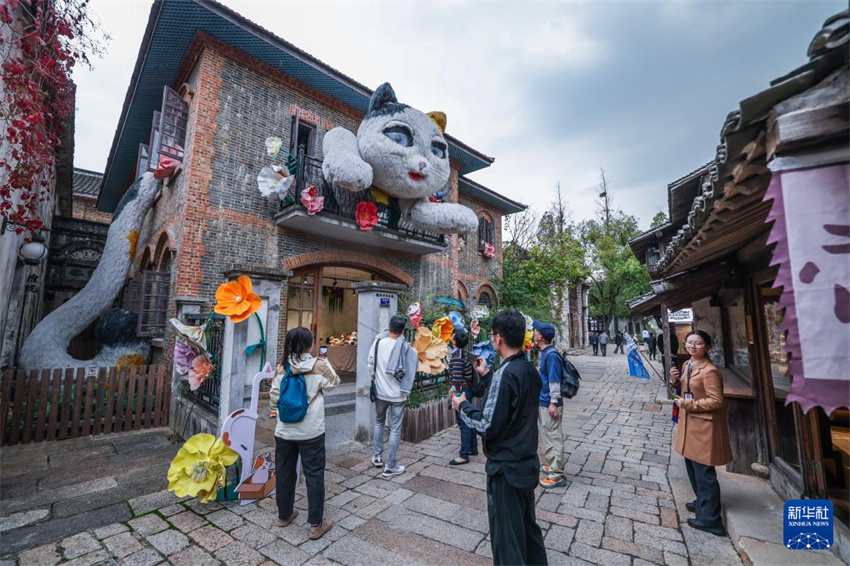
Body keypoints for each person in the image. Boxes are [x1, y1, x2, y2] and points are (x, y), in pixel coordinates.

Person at [452, 310, 547, 565]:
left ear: (498, 339)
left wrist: (462, 406)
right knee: (528, 532)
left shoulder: (507, 374)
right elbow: (510, 404)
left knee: (507, 541)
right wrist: (486, 374)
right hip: (526, 462)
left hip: (505, 469)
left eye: (493, 335)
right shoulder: (529, 370)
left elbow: (488, 424)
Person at [270, 327, 340, 540]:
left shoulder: (283, 366)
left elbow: (274, 396)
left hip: (284, 431)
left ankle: (284, 514)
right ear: (309, 345)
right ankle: (316, 524)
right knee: (314, 474)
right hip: (312, 431)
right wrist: (325, 361)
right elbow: (334, 383)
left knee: (284, 472)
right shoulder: (318, 365)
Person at [669, 330, 732, 537]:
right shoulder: (688, 364)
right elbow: (685, 388)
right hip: (690, 424)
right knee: (692, 467)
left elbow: (717, 400)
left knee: (705, 472)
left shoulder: (710, 370)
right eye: (689, 343)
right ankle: (701, 503)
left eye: (698, 343)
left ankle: (711, 519)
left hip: (704, 427)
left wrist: (689, 404)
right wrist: (675, 381)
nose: (693, 346)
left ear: (707, 347)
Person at [367, 315, 417, 478]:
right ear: (403, 330)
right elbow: (410, 371)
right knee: (395, 429)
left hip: (380, 392)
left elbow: (370, 365)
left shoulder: (378, 343)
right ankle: (390, 466)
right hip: (398, 395)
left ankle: (377, 457)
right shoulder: (406, 348)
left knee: (379, 422)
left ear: (389, 328)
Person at [533, 321, 566, 489]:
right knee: (547, 434)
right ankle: (552, 466)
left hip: (549, 402)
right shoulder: (545, 352)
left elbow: (554, 381)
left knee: (553, 436)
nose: (533, 332)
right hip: (544, 400)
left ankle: (557, 474)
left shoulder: (551, 355)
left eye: (535, 330)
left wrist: (553, 402)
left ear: (540, 336)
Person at [449, 328, 483, 465]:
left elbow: (456, 378)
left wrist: (454, 392)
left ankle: (463, 455)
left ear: (455, 340)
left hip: (461, 391)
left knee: (463, 422)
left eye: (452, 336)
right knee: (468, 419)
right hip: (467, 390)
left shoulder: (457, 357)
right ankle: (473, 448)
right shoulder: (467, 354)